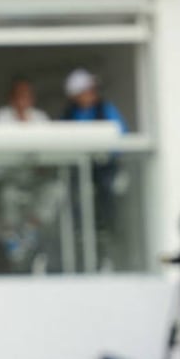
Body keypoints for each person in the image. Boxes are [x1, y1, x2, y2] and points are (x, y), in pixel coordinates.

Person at [62, 68, 130, 269]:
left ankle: (111, 244)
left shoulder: (105, 109)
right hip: (78, 175)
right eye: (86, 90)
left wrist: (105, 153)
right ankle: (81, 245)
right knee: (76, 206)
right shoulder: (68, 116)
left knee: (108, 203)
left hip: (104, 172)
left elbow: (121, 136)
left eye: (91, 89)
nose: (91, 94)